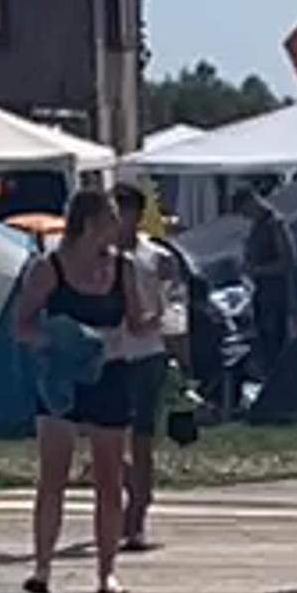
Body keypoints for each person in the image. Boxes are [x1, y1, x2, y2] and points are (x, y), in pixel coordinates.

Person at [11, 180, 137, 593]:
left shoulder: (123, 268)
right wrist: (57, 338)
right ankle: (42, 568)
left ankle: (106, 572)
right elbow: (21, 325)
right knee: (53, 474)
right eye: (111, 221)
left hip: (110, 373)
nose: (118, 230)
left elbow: (138, 321)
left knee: (109, 477)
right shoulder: (48, 268)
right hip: (62, 377)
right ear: (90, 224)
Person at [112, 177, 188, 555]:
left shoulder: (157, 257)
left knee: (141, 439)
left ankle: (137, 516)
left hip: (148, 353)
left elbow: (175, 308)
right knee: (109, 442)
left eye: (121, 212)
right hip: (110, 355)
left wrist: (181, 356)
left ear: (137, 215)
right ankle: (135, 494)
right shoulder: (98, 256)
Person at [235, 181, 297, 409]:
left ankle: (281, 393)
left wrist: (257, 270)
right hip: (261, 292)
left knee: (276, 343)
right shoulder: (258, 225)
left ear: (252, 201)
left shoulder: (275, 224)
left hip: (276, 293)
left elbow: (289, 261)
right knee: (265, 343)